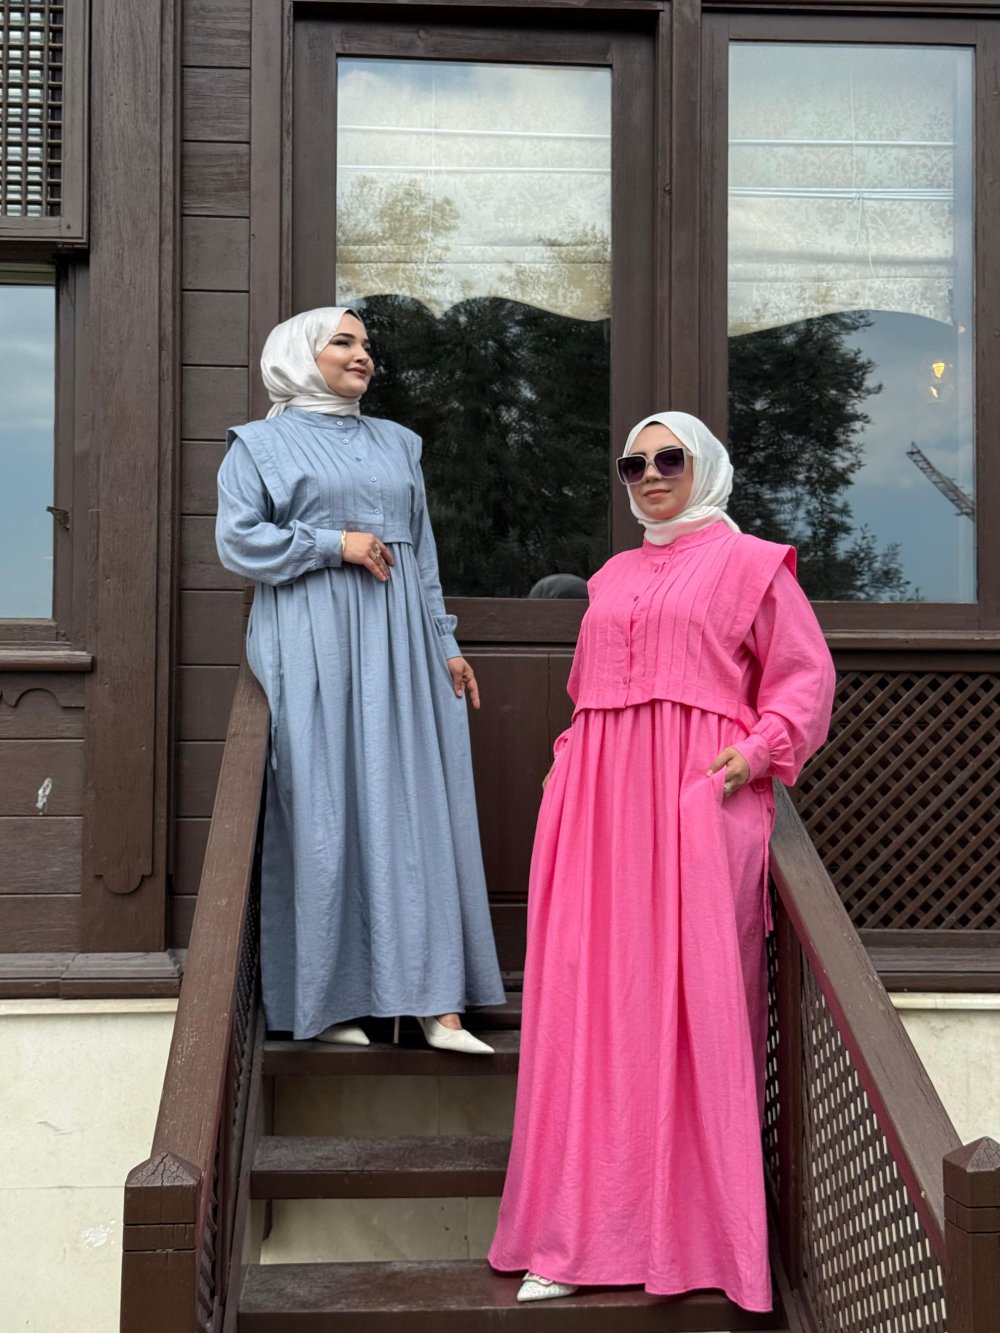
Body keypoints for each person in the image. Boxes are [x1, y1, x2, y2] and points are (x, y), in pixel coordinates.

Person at [489, 411, 836, 1307]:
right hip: (597, 815)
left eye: (668, 458)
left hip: (696, 803)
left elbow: (804, 677)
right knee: (591, 1008)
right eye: (633, 463)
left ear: (703, 466)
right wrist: (568, 763)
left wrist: (756, 752)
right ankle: (571, 1236)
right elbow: (589, 695)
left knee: (691, 1010)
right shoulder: (609, 576)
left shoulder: (754, 564)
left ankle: (699, 1243)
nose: (649, 474)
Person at [215, 306, 505, 1055]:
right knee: (325, 806)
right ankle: (329, 1000)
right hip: (311, 638)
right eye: (342, 342)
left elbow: (422, 554)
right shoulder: (258, 445)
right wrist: (332, 543)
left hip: (402, 641)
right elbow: (238, 541)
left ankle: (438, 1004)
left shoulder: (398, 443)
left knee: (416, 806)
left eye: (366, 344)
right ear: (297, 355)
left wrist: (445, 642)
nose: (361, 355)